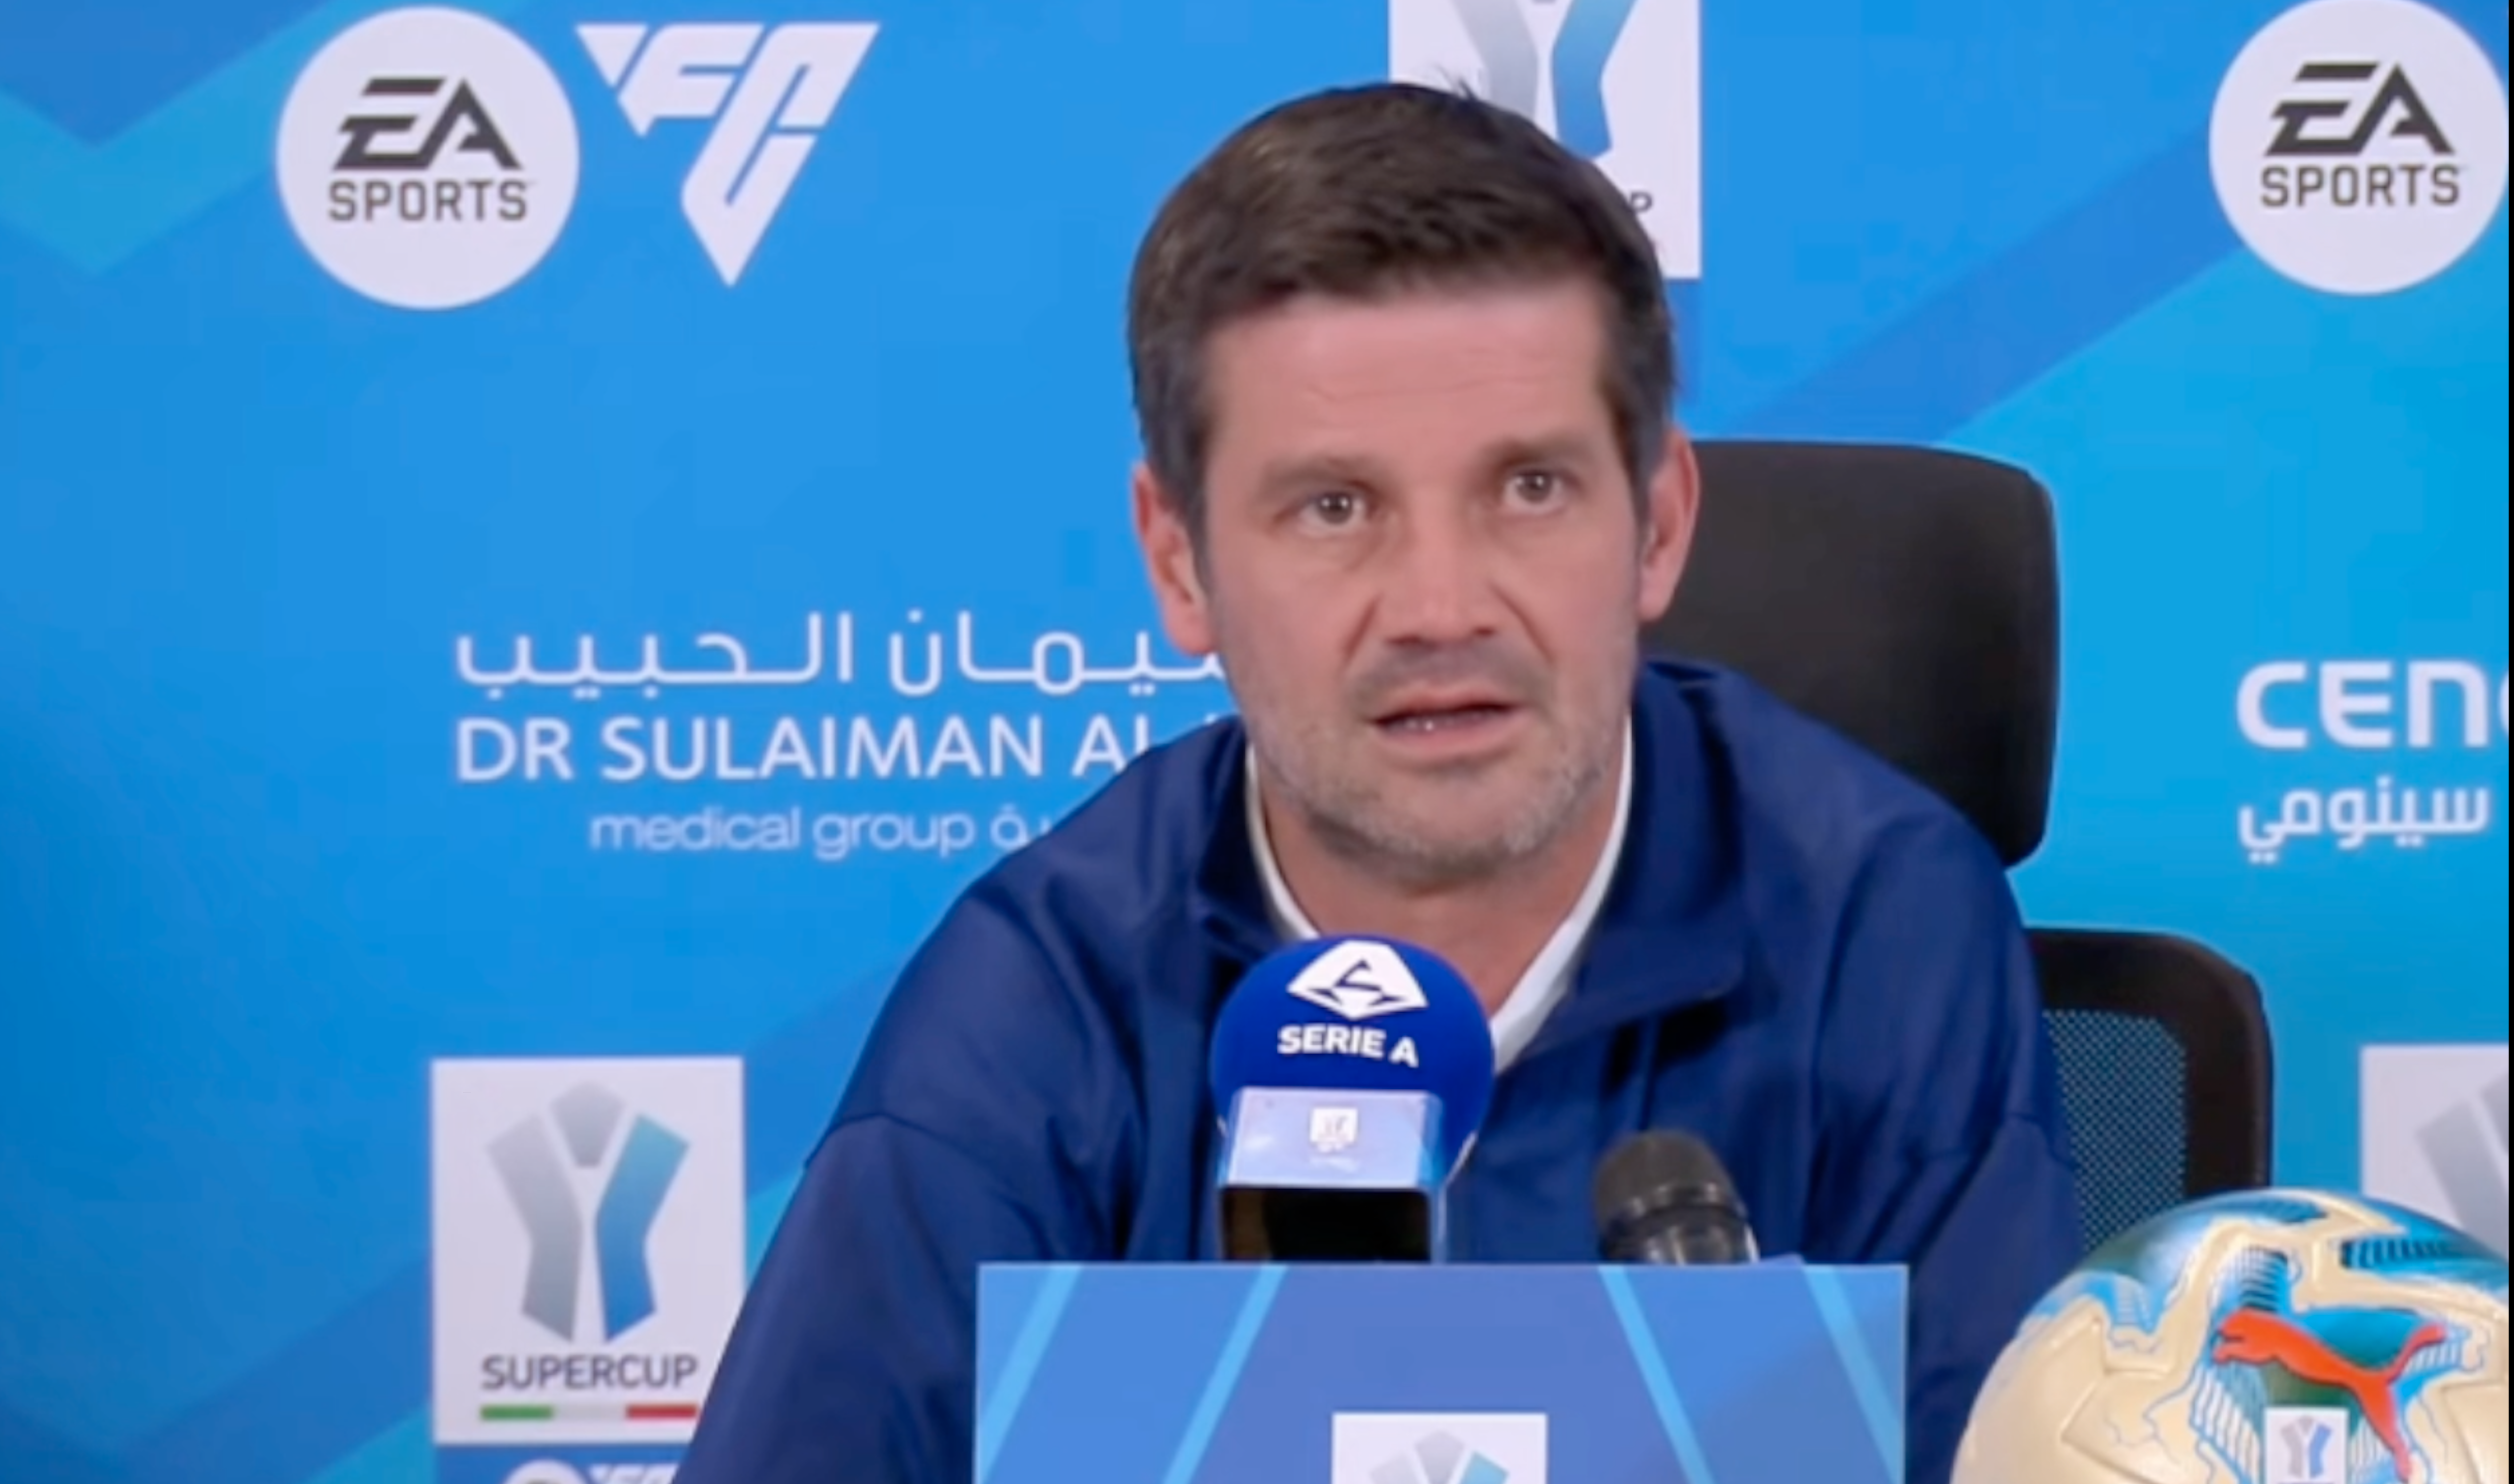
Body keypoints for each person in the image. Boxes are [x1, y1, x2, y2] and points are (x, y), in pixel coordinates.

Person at [677, 82, 2081, 1484]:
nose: (1438, 607)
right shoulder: (1047, 996)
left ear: (1656, 524)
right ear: (1179, 562)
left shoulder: (1878, 929)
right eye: (1334, 507)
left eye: (1527, 488)